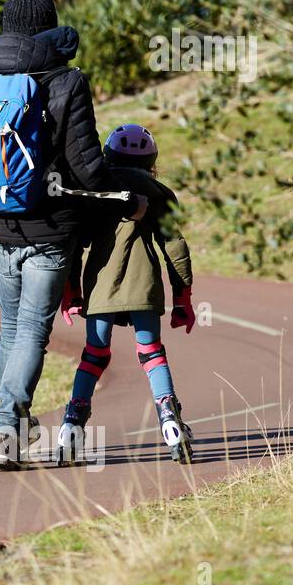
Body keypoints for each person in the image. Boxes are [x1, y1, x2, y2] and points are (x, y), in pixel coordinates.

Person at [0, 0, 144, 471]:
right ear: (49, 23)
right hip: (52, 228)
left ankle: (14, 429)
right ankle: (5, 426)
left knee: (14, 329)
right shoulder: (66, 80)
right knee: (32, 333)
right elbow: (86, 166)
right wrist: (120, 193)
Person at [56, 123, 196, 464]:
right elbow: (175, 247)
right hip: (145, 286)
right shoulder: (160, 193)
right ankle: (169, 419)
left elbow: (75, 244)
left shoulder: (93, 191)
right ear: (152, 161)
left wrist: (71, 291)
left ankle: (73, 423)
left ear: (108, 155)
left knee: (95, 355)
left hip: (100, 288)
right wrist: (183, 298)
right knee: (150, 353)